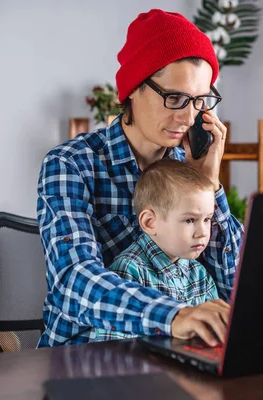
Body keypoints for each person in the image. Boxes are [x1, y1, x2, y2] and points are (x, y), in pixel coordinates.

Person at [36, 8, 244, 348]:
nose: (188, 116)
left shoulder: (188, 169)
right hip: (86, 354)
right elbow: (74, 280)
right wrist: (174, 316)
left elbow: (237, 286)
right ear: (134, 88)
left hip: (171, 353)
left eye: (198, 101)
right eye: (174, 98)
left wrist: (209, 183)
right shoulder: (71, 164)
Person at [95, 159, 221, 341]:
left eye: (207, 219)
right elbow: (114, 346)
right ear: (149, 222)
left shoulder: (199, 274)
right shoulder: (128, 271)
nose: (202, 232)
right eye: (189, 220)